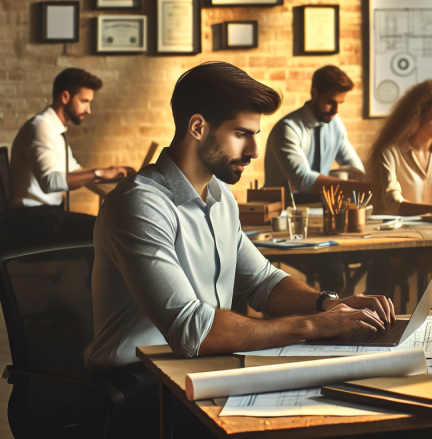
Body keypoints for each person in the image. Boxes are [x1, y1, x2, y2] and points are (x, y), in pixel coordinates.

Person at [84, 62, 395, 438]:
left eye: (255, 134)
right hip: (137, 387)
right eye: (241, 134)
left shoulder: (221, 198)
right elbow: (194, 330)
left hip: (205, 369)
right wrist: (312, 326)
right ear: (198, 127)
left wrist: (329, 305)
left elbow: (263, 282)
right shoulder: (140, 204)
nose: (254, 150)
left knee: (345, 402)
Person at [1, 68, 135, 247]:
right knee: (106, 230)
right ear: (65, 97)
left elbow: (74, 171)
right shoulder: (41, 128)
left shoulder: (54, 129)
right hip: (31, 221)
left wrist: (112, 173)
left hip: (46, 216)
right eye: (84, 101)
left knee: (106, 226)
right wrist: (99, 173)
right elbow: (50, 182)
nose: (88, 110)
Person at [367, 80, 432, 309]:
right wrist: (430, 209)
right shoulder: (390, 151)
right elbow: (392, 202)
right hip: (400, 235)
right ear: (415, 115)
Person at [264, 65, 366, 202]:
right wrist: (358, 188)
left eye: (339, 103)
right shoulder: (287, 129)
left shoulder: (335, 124)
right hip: (282, 208)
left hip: (318, 205)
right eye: (330, 102)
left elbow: (355, 168)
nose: (336, 110)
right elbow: (303, 179)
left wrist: (359, 180)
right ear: (314, 93)